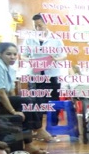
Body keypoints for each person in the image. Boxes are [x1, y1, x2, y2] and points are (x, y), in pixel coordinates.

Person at [23, 13, 67, 143]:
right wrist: (30, 60)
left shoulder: (56, 39)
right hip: (35, 75)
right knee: (35, 103)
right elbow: (24, 55)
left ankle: (52, 131)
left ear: (46, 24)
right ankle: (37, 130)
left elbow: (63, 55)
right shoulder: (29, 39)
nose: (38, 28)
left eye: (40, 25)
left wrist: (55, 59)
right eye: (35, 26)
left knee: (52, 103)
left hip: (51, 74)